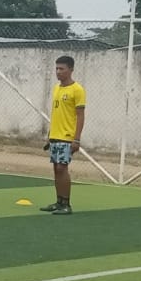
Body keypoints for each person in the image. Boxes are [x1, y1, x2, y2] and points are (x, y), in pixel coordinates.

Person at [41, 55, 86, 215]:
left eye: (62, 69)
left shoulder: (77, 90)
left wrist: (76, 139)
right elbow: (56, 113)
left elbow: (80, 115)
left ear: (71, 69)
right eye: (57, 68)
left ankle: (66, 204)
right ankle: (58, 201)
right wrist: (50, 134)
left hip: (67, 136)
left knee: (62, 168)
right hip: (55, 135)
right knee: (56, 168)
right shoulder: (56, 88)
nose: (58, 72)